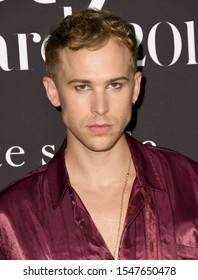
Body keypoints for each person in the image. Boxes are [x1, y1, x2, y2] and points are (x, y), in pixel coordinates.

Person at [0, 8, 197, 260]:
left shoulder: (191, 188)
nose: (100, 108)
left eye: (114, 85)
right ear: (53, 92)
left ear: (135, 88)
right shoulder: (9, 219)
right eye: (82, 87)